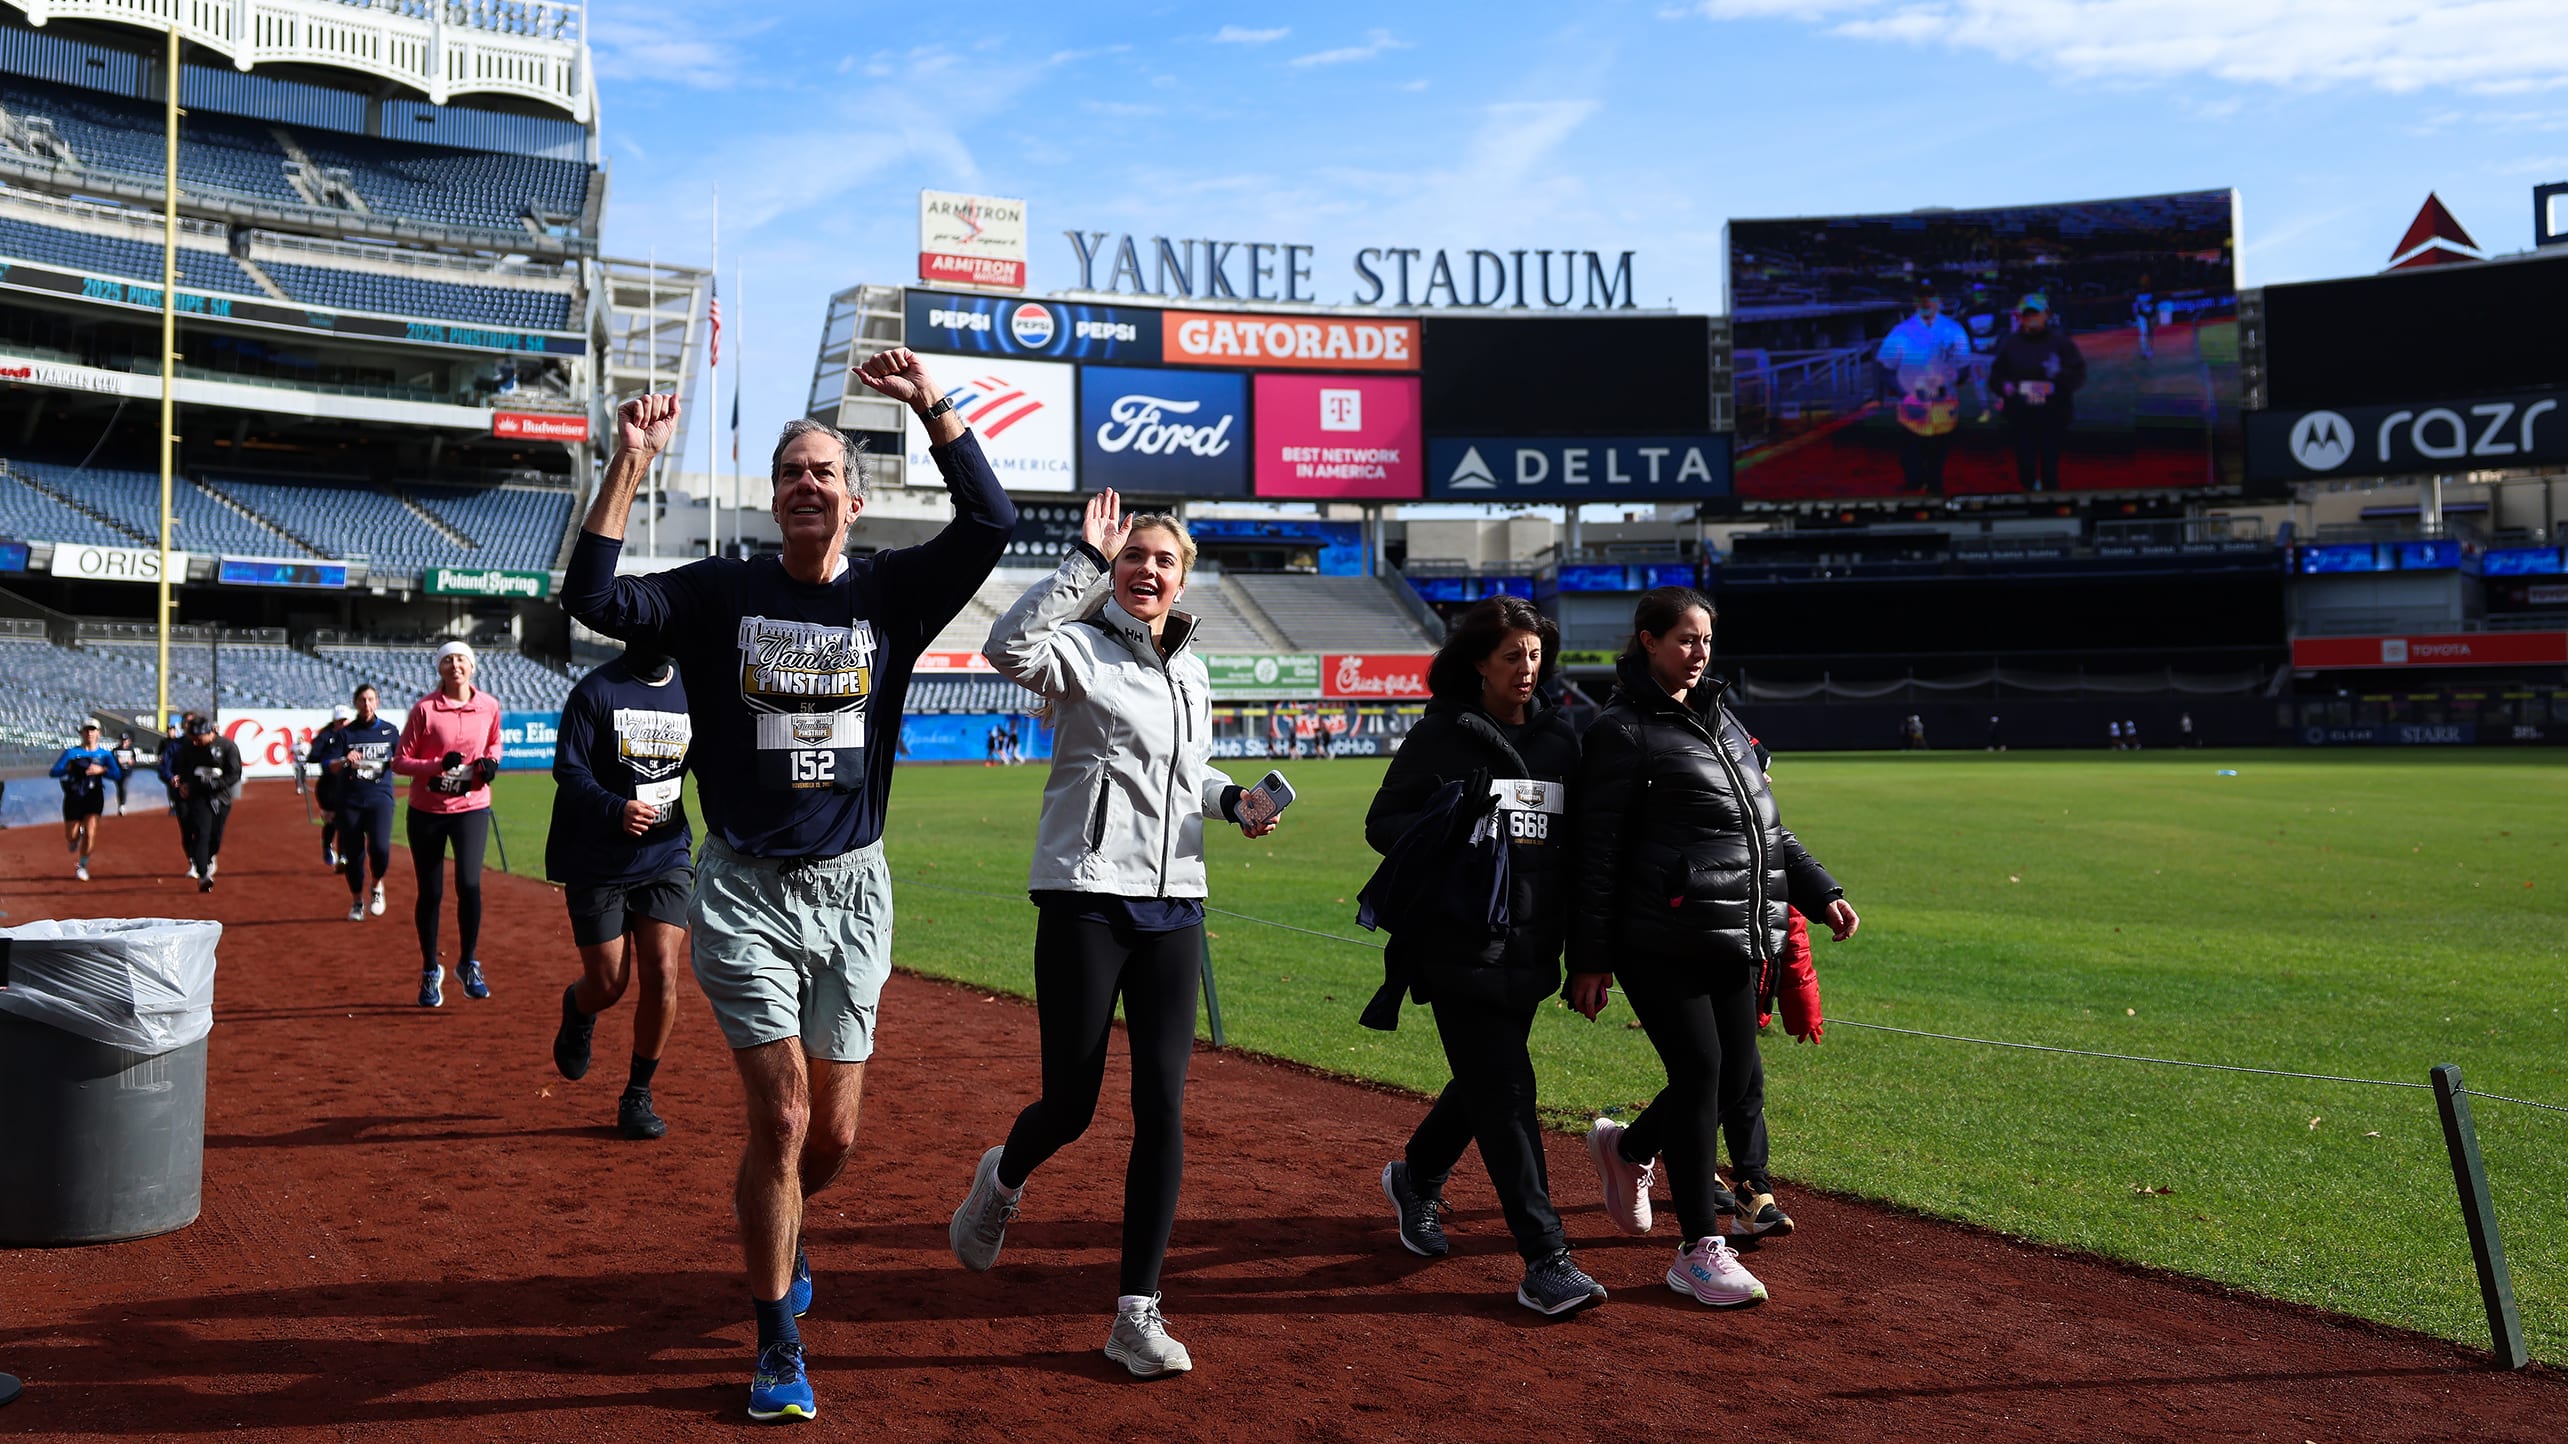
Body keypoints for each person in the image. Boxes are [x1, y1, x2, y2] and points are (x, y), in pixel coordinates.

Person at [562, 350, 1012, 1423]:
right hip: (745, 890)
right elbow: (589, 594)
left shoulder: (893, 595)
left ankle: (783, 1234)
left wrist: (933, 408)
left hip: (855, 889)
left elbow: (988, 524)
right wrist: (629, 460)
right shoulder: (723, 592)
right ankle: (775, 1341)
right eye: (790, 472)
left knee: (836, 1136)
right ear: (775, 499)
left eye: (824, 471)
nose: (807, 483)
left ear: (855, 500)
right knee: (783, 1113)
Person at [954, 490, 1273, 1377]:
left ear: (1184, 578)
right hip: (1086, 898)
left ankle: (1136, 1311)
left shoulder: (1193, 669)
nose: (1147, 571)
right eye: (1134, 558)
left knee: (1162, 1107)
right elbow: (1004, 645)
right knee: (1073, 1103)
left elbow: (1187, 770)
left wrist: (1230, 800)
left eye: (1162, 561)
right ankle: (1003, 1181)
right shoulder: (1080, 650)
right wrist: (1082, 566)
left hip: (1177, 906)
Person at [1565, 587, 1859, 1309]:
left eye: (1705, 640)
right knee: (1700, 1074)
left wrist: (1819, 891)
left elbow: (1768, 830)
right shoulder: (1620, 730)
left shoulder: (1725, 724)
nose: (1698, 653)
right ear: (1647, 642)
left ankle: (1628, 1148)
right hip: (1658, 935)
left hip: (1738, 930)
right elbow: (1596, 854)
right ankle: (1699, 1246)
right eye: (1684, 640)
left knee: (1732, 1079)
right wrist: (1591, 957)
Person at [1360, 596, 1603, 1316]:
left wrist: (1589, 950)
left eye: (1534, 655)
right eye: (1511, 656)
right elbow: (1383, 824)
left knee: (1482, 1084)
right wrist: (1451, 823)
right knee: (1507, 1094)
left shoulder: (1563, 742)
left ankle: (1417, 1178)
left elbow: (1583, 854)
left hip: (1535, 949)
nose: (1526, 668)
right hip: (1456, 945)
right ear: (1478, 664)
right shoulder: (1440, 737)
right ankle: (1546, 1259)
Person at [548, 645, 694, 1140]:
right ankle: (579, 1007)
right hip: (598, 858)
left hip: (666, 854)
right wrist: (617, 809)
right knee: (609, 983)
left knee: (664, 972)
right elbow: (569, 772)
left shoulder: (691, 688)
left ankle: (637, 1093)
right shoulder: (596, 691)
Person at [391, 642, 504, 1007]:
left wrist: (491, 762)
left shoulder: (489, 705)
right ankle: (429, 970)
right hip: (427, 810)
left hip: (471, 806)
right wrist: (437, 764)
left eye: (461, 659)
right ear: (439, 669)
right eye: (448, 660)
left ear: (472, 668)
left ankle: (468, 963)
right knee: (432, 892)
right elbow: (400, 762)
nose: (455, 665)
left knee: (469, 884)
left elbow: (495, 742)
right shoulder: (425, 709)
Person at [1876, 278, 1972, 495]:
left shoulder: (1954, 330)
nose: (1927, 302)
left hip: (1943, 401)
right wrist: (1903, 394)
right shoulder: (1901, 331)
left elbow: (1964, 366)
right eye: (1922, 298)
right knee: (1912, 450)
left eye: (1931, 298)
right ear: (1915, 302)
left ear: (1939, 301)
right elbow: (1885, 368)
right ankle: (1914, 486)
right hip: (1912, 401)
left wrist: (1952, 380)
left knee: (1938, 450)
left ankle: (1935, 487)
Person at [315, 685, 401, 923]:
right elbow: (328, 766)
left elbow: (403, 760)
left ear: (378, 702)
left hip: (380, 797)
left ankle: (376, 885)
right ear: (355, 703)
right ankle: (356, 900)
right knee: (354, 855)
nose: (367, 704)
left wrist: (396, 762)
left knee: (381, 848)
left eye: (371, 699)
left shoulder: (389, 731)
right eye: (362, 700)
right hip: (350, 800)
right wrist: (344, 759)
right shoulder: (345, 734)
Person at [1986, 294, 2088, 493]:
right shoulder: (2010, 343)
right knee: (2025, 465)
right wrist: (2003, 386)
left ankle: (2050, 498)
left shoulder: (2061, 342)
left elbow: (2078, 376)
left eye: (2035, 314)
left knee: (2050, 465)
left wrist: (2059, 373)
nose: (2031, 318)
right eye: (2027, 315)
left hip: (2053, 415)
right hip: (2021, 416)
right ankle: (2030, 491)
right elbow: (1995, 377)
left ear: (2046, 315)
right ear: (2019, 317)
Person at [166, 714, 243, 894]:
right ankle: (203, 876)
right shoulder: (189, 747)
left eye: (199, 738)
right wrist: (183, 783)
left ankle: (209, 858)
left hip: (221, 797)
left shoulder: (227, 747)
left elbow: (234, 773)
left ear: (209, 733)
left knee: (216, 835)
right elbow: (183, 768)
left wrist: (217, 784)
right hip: (198, 795)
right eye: (193, 739)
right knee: (201, 833)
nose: (196, 742)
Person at [49, 722, 123, 882]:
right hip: (74, 796)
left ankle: (82, 866)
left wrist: (102, 770)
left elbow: (117, 774)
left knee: (91, 833)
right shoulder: (71, 753)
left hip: (93, 795)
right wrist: (68, 768)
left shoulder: (105, 755)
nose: (89, 733)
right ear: (81, 733)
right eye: (86, 730)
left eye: (93, 730)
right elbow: (54, 772)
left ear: (99, 733)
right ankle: (74, 839)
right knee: (71, 835)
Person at [311, 706, 351, 867]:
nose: (343, 723)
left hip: (348, 783)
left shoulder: (353, 735)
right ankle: (327, 846)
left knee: (345, 820)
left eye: (345, 720)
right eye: (340, 721)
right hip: (329, 785)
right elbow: (314, 756)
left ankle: (343, 854)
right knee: (332, 820)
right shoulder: (326, 736)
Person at [110, 730, 139, 815]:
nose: (124, 742)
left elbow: (134, 760)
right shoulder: (115, 750)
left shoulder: (131, 750)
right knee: (119, 788)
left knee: (123, 787)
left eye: (125, 740)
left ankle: (122, 805)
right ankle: (120, 804)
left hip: (127, 772)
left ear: (129, 741)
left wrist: (131, 762)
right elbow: (111, 761)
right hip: (118, 772)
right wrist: (117, 761)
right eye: (122, 740)